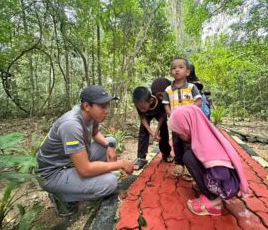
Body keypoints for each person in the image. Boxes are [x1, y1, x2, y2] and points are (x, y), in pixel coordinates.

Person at [36, 85, 134, 217]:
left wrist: (109, 145)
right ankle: (61, 196)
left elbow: (95, 133)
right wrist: (120, 164)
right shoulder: (71, 125)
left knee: (110, 140)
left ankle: (74, 186)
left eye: (108, 106)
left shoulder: (90, 115)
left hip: (70, 161)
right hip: (53, 174)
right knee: (109, 182)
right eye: (102, 107)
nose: (107, 111)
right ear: (87, 106)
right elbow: (85, 170)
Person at [168, 105, 249, 216]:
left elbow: (222, 174)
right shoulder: (204, 136)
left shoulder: (206, 146)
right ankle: (211, 190)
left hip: (227, 187)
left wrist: (206, 182)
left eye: (179, 131)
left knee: (188, 158)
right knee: (190, 156)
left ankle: (214, 201)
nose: (178, 135)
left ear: (187, 125)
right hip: (229, 181)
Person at [162, 58, 202, 179]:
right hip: (176, 124)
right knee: (176, 143)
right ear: (171, 73)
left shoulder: (191, 87)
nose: (177, 70)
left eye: (180, 67)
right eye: (174, 68)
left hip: (189, 124)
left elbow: (198, 102)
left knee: (189, 144)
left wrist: (189, 114)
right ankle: (179, 164)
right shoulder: (168, 90)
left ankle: (190, 167)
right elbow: (165, 104)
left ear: (188, 72)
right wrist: (171, 116)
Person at [132, 78, 173, 170]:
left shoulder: (160, 100)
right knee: (143, 130)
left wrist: (157, 130)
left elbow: (163, 117)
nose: (141, 109)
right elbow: (142, 118)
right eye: (139, 108)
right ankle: (141, 158)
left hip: (159, 114)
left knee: (164, 128)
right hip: (147, 115)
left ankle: (166, 153)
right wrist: (151, 133)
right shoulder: (139, 103)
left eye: (142, 107)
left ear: (150, 101)